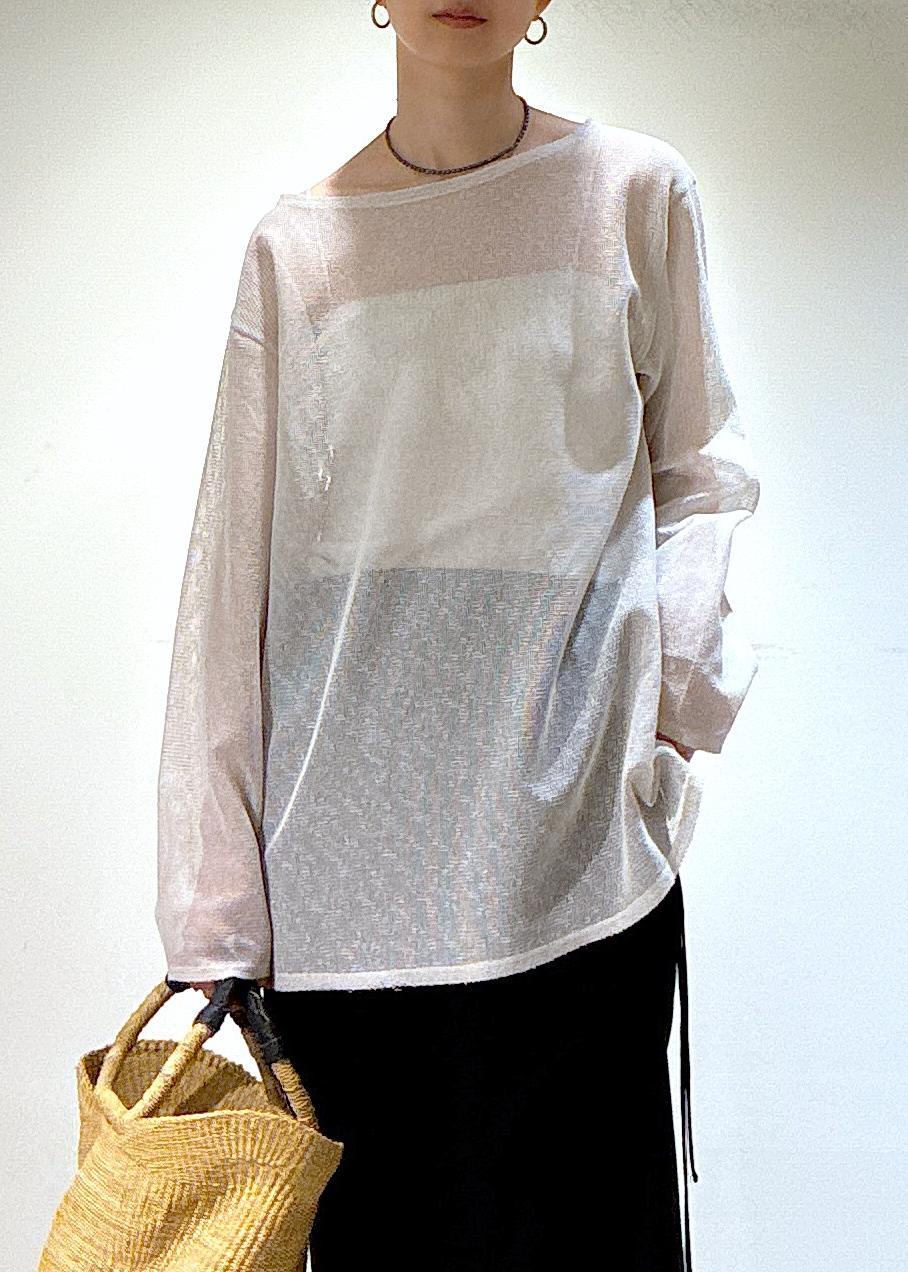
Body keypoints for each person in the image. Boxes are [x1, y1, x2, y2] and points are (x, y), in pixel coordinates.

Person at [156, 3, 761, 1270]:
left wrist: (666, 721)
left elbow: (699, 472)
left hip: (575, 867)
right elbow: (232, 574)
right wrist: (216, 908)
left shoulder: (632, 192)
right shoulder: (295, 248)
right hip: (342, 896)